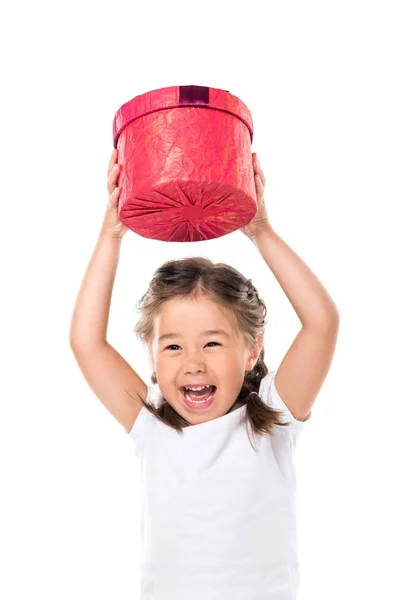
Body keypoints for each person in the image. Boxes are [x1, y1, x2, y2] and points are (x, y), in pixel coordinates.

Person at [69, 148, 340, 599]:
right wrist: (110, 235)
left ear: (252, 351)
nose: (193, 362)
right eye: (173, 346)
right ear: (153, 356)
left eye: (212, 343)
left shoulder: (273, 416)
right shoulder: (150, 422)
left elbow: (322, 323)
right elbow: (87, 343)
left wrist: (260, 230)